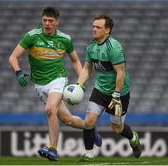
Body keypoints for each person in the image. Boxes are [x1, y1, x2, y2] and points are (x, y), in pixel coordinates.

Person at [9, 6, 102, 161]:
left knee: (50, 110)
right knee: (68, 120)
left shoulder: (65, 39)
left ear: (56, 22)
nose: (47, 23)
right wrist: (18, 72)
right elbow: (13, 57)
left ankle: (52, 149)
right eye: (45, 20)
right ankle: (90, 128)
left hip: (58, 80)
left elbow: (75, 60)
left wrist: (80, 83)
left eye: (50, 21)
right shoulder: (32, 36)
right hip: (39, 84)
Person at [77, 14, 142, 161]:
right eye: (93, 26)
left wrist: (117, 95)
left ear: (107, 30)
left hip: (119, 93)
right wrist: (79, 85)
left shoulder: (114, 47)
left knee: (117, 128)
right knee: (88, 122)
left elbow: (121, 72)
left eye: (98, 27)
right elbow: (87, 69)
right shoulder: (91, 47)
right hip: (100, 90)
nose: (94, 29)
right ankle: (88, 154)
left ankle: (133, 138)